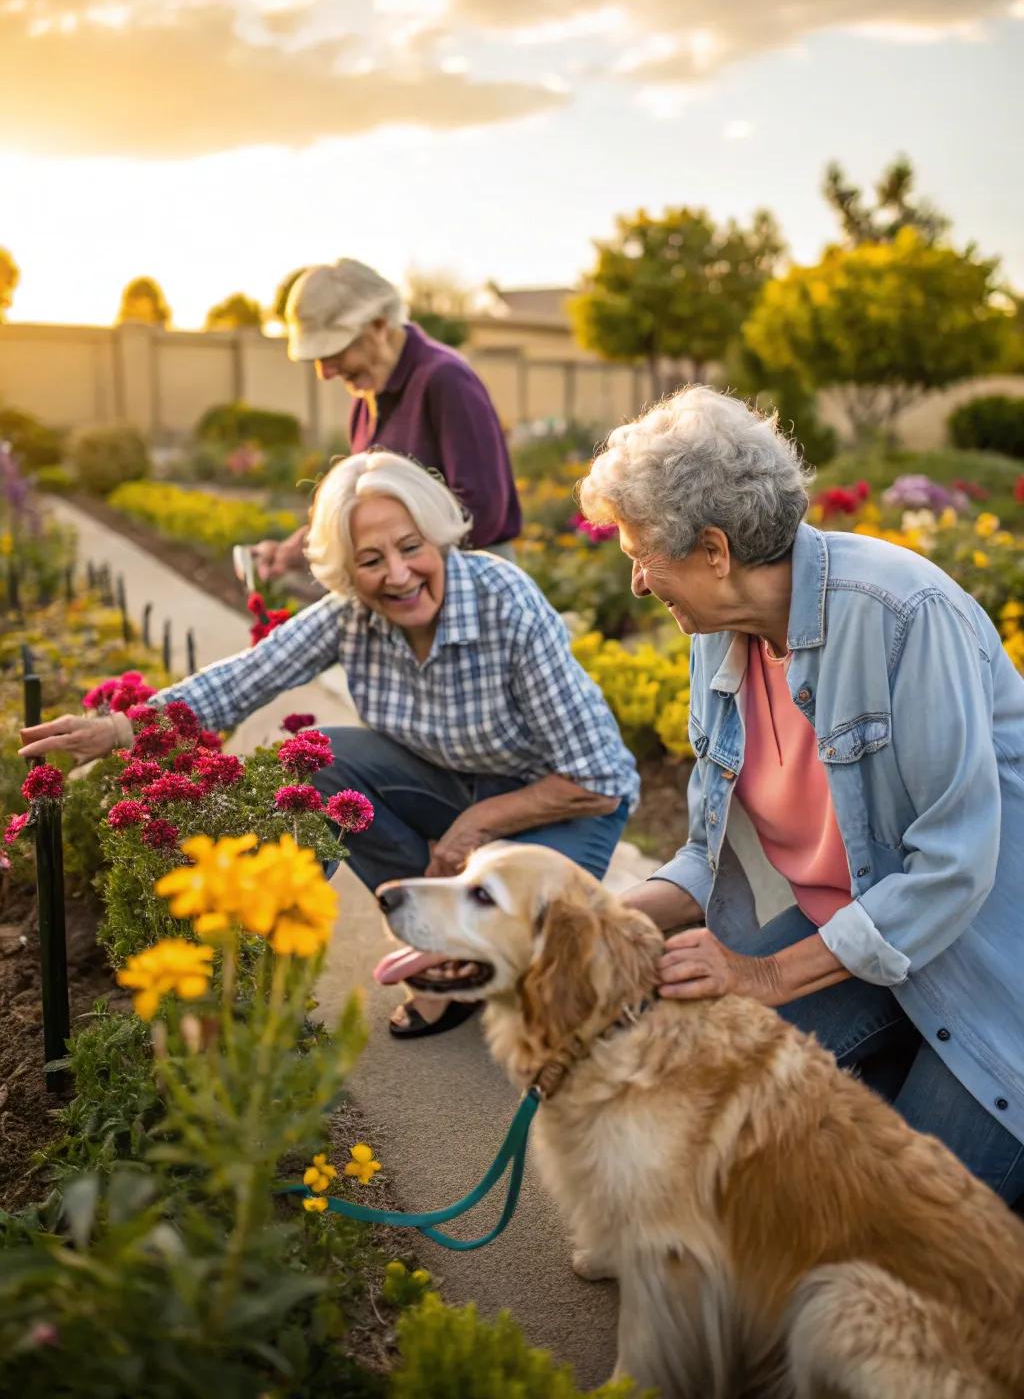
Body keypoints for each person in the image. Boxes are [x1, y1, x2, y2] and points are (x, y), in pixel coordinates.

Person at [577, 386, 1024, 1204]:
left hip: (988, 973)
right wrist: (582, 932)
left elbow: (953, 871)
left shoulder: (900, 612)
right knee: (690, 1099)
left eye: (642, 552)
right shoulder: (717, 636)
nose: (637, 581)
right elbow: (703, 853)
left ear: (714, 548)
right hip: (850, 942)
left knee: (901, 1223)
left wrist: (762, 978)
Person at [22, 451, 637, 1040]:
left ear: (438, 536)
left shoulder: (505, 602)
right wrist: (121, 728)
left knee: (543, 978)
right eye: (370, 560)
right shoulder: (351, 613)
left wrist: (477, 825)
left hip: (557, 801)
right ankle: (423, 950)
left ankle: (478, 939)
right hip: (450, 781)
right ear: (347, 571)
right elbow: (246, 676)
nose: (397, 575)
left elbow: (597, 779)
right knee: (322, 762)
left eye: (411, 548)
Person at [252, 259, 521, 578]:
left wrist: (382, 551)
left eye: (334, 352)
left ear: (378, 326)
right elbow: (362, 505)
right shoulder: (366, 402)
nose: (325, 372)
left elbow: (482, 513)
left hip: (474, 583)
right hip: (412, 586)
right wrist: (299, 549)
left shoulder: (446, 380)